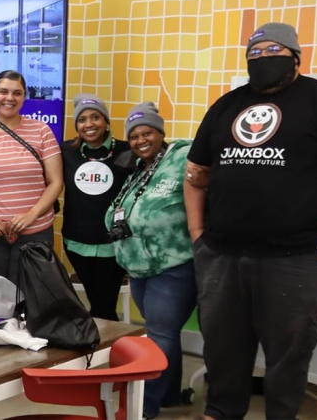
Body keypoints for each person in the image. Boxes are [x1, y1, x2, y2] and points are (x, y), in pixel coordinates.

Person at [184, 23, 317, 420]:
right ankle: (219, 413)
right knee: (222, 352)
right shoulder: (226, 106)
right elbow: (195, 169)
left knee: (289, 356)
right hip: (221, 255)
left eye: (272, 50)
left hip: (296, 258)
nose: (262, 58)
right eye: (254, 52)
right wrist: (198, 234)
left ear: (294, 56)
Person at [106, 102, 196, 419]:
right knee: (161, 332)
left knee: (160, 335)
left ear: (160, 133)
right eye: (134, 136)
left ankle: (144, 407)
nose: (141, 140)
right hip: (140, 267)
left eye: (148, 132)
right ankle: (169, 393)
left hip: (174, 264)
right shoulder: (141, 167)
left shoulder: (182, 156)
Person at [0, 70, 63, 279]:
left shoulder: (41, 131)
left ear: (24, 96)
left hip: (36, 230)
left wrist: (32, 214)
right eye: (3, 92)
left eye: (17, 93)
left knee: (33, 297)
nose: (10, 98)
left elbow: (56, 182)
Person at [60, 94, 131, 321]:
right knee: (100, 303)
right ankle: (105, 350)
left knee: (103, 305)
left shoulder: (126, 151)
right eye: (82, 120)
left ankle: (103, 350)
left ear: (106, 121)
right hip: (76, 243)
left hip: (112, 244)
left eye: (95, 117)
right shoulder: (66, 152)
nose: (89, 124)